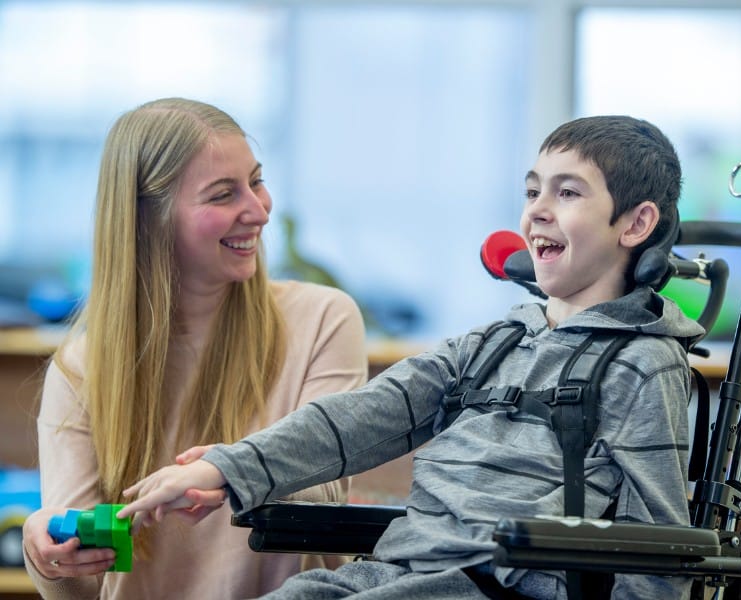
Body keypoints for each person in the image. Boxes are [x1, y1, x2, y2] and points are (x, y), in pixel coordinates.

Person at [118, 115, 705, 599]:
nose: (537, 211)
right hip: (398, 574)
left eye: (568, 192)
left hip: (500, 586)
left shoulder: (642, 363)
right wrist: (225, 468)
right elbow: (360, 417)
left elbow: (660, 551)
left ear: (636, 223)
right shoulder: (493, 343)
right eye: (532, 191)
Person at [21, 98, 369, 599]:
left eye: (257, 181)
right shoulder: (80, 371)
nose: (259, 210)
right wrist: (49, 556)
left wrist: (230, 474)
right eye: (224, 194)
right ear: (149, 219)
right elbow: (84, 580)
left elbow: (324, 494)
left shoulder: (323, 320)